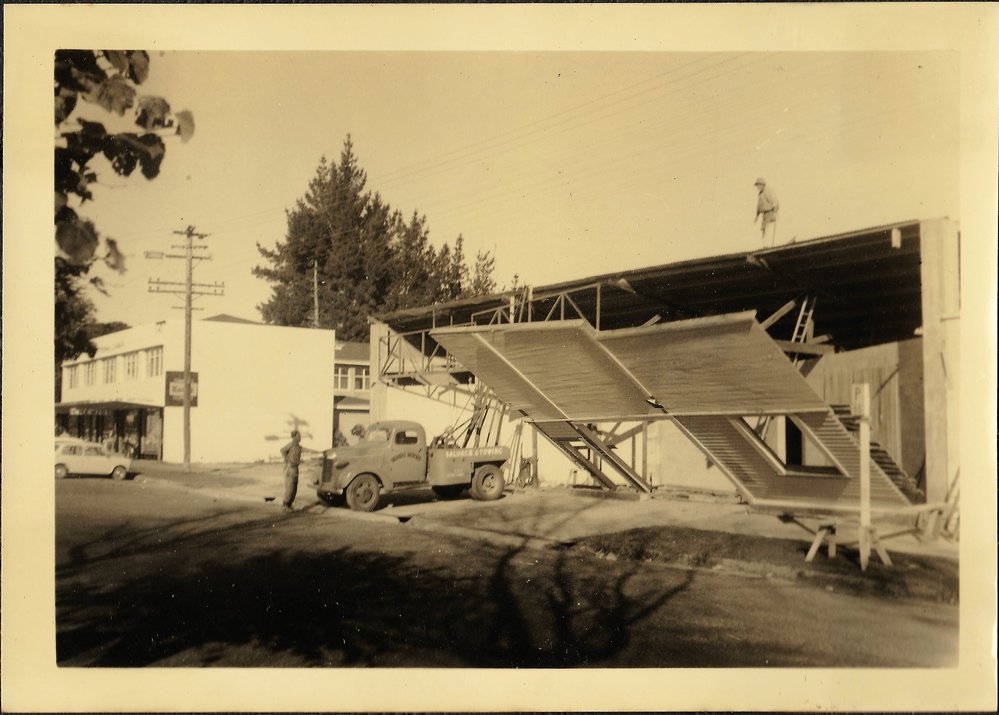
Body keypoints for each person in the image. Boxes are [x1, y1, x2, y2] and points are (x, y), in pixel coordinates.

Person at [279, 430, 302, 512]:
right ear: (294, 437)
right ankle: (284, 505)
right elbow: (282, 450)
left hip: (295, 468)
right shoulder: (291, 444)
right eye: (299, 436)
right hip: (290, 468)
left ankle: (289, 505)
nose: (300, 437)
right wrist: (288, 459)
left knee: (294, 487)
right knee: (290, 487)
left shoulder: (298, 446)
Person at [754, 177, 779, 242]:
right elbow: (759, 206)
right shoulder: (760, 193)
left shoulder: (767, 191)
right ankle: (765, 244)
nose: (757, 187)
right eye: (757, 185)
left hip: (770, 213)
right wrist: (756, 216)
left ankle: (768, 244)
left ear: (762, 185)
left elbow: (775, 202)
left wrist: (774, 213)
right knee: (764, 229)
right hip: (764, 214)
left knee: (768, 229)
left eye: (758, 185)